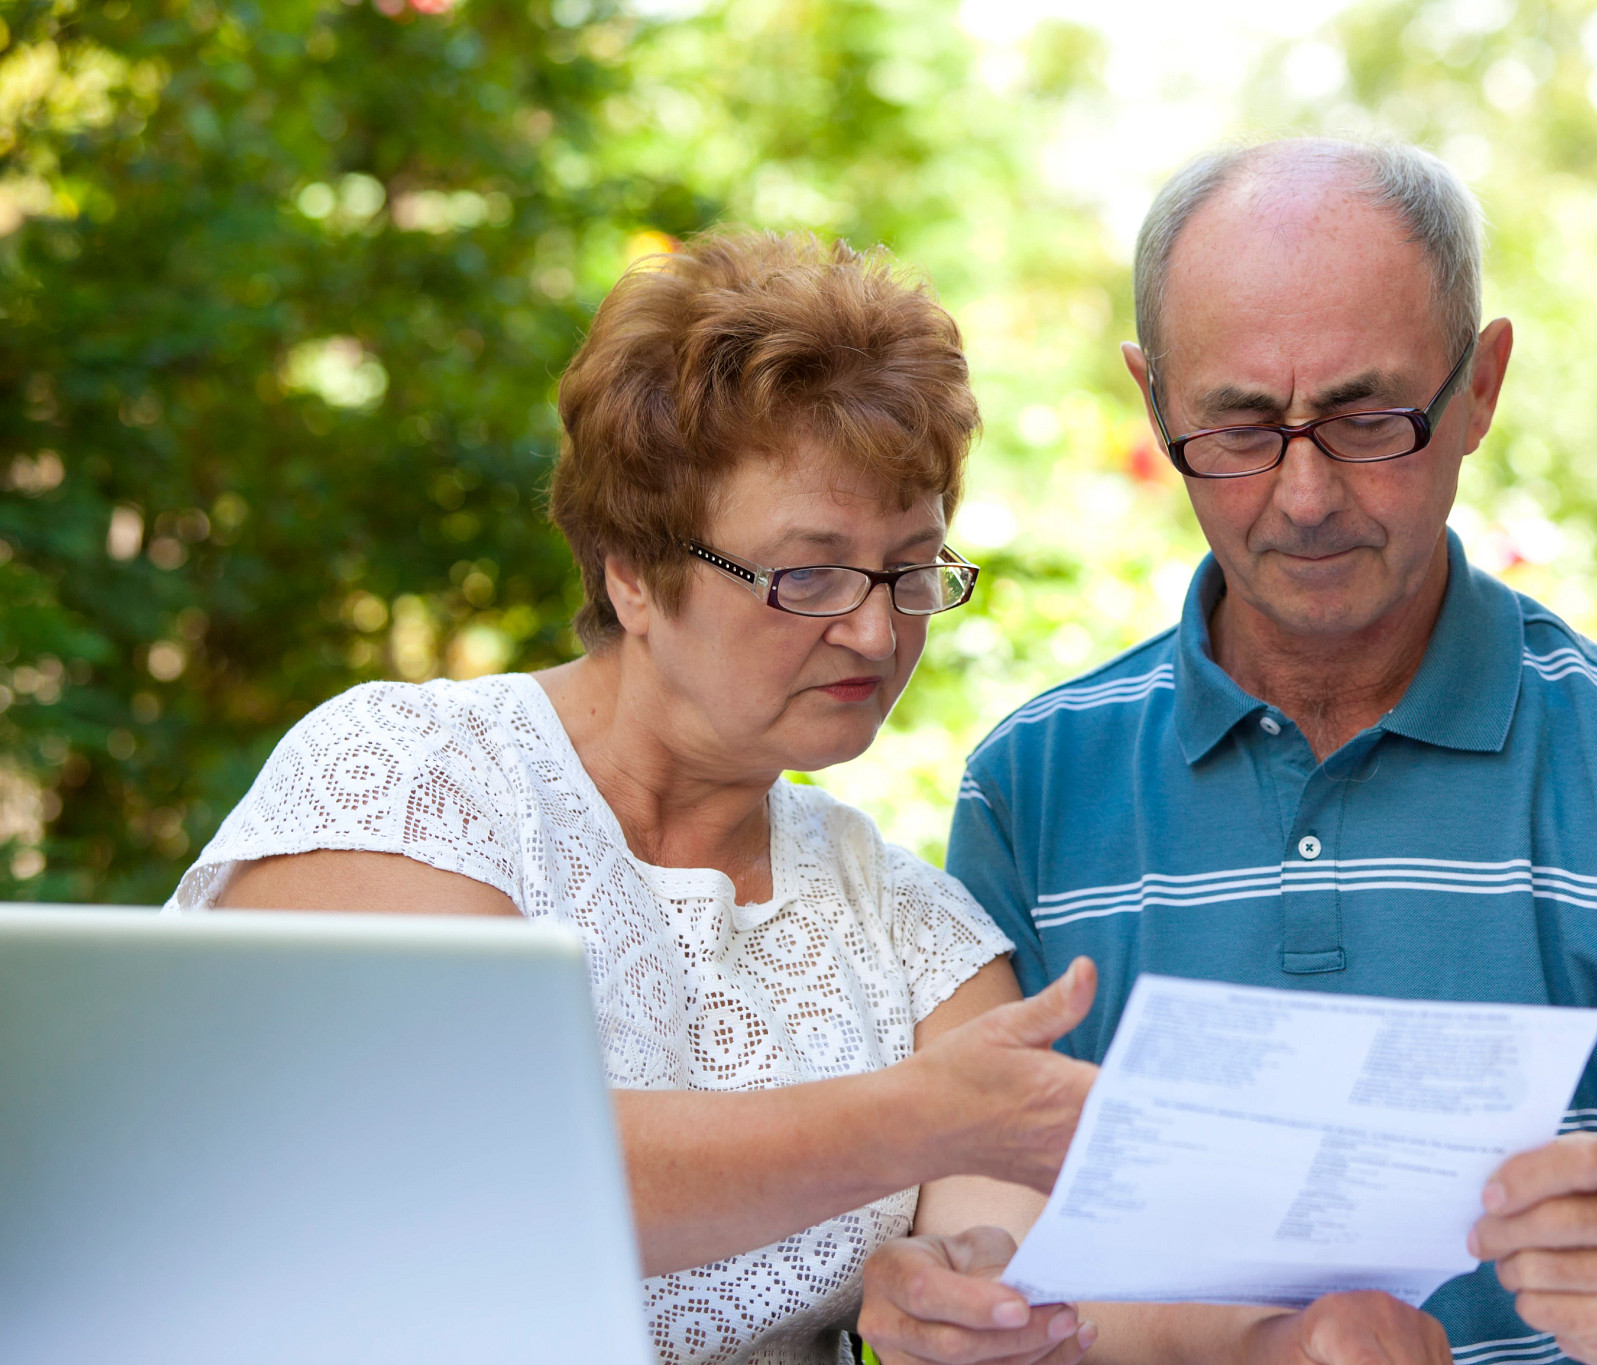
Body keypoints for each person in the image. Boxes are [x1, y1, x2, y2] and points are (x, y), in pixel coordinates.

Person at [860, 140, 1597, 1365]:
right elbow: (1009, 1249)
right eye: (1241, 427)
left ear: (1480, 387)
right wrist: (950, 1297)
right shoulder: (1034, 788)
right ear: (1153, 406)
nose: (1304, 497)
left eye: (1369, 421)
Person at [165, 229, 1102, 1365]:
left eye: (911, 568)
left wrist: (953, 1302)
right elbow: (458, 1170)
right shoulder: (413, 777)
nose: (873, 628)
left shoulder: (902, 919)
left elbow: (1021, 1257)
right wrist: (908, 1117)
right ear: (632, 571)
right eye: (807, 573)